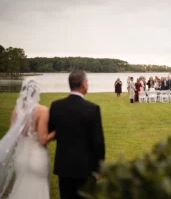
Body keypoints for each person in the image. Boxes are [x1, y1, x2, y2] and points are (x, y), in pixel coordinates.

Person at [48, 71, 105, 199]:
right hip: (86, 168)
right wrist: (99, 167)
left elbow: (50, 131)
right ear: (84, 84)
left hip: (64, 166)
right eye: (87, 82)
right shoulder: (92, 108)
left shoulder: (56, 106)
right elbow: (98, 142)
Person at [0, 78, 56, 199]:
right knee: (38, 191)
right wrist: (56, 132)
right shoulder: (42, 111)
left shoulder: (16, 111)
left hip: (21, 157)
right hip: (37, 157)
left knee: (21, 189)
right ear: (37, 92)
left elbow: (13, 136)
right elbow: (43, 139)